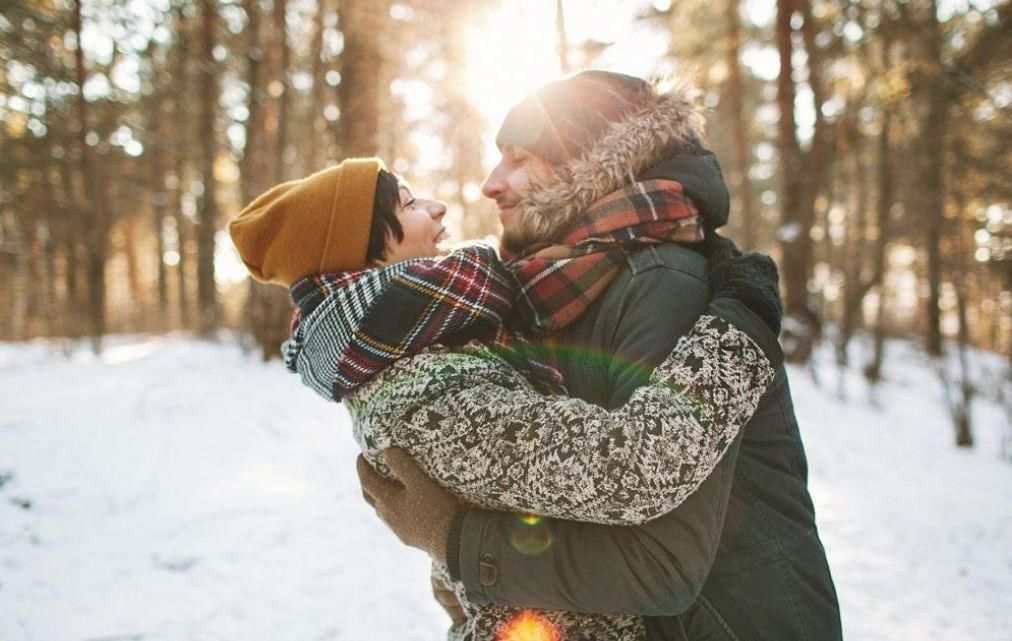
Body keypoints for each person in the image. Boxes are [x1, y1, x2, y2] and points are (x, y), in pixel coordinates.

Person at [360, 71, 843, 640]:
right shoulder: (558, 285)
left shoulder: (662, 282)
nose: (491, 184)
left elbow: (662, 567)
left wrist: (458, 542)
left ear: (590, 166)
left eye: (520, 158)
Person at [228, 156, 786, 640]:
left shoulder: (425, 353)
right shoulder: (426, 394)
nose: (439, 206)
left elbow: (455, 586)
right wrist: (744, 316)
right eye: (408, 205)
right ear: (370, 257)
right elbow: (633, 464)